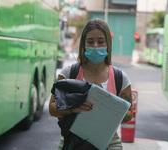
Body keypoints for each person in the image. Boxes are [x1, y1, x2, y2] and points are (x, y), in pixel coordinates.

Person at [49, 18, 133, 150]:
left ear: (108, 44)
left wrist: (108, 107)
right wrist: (74, 108)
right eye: (90, 41)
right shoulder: (69, 73)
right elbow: (52, 108)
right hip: (73, 141)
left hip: (109, 143)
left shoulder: (120, 78)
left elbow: (129, 114)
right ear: (83, 44)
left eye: (100, 41)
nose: (95, 46)